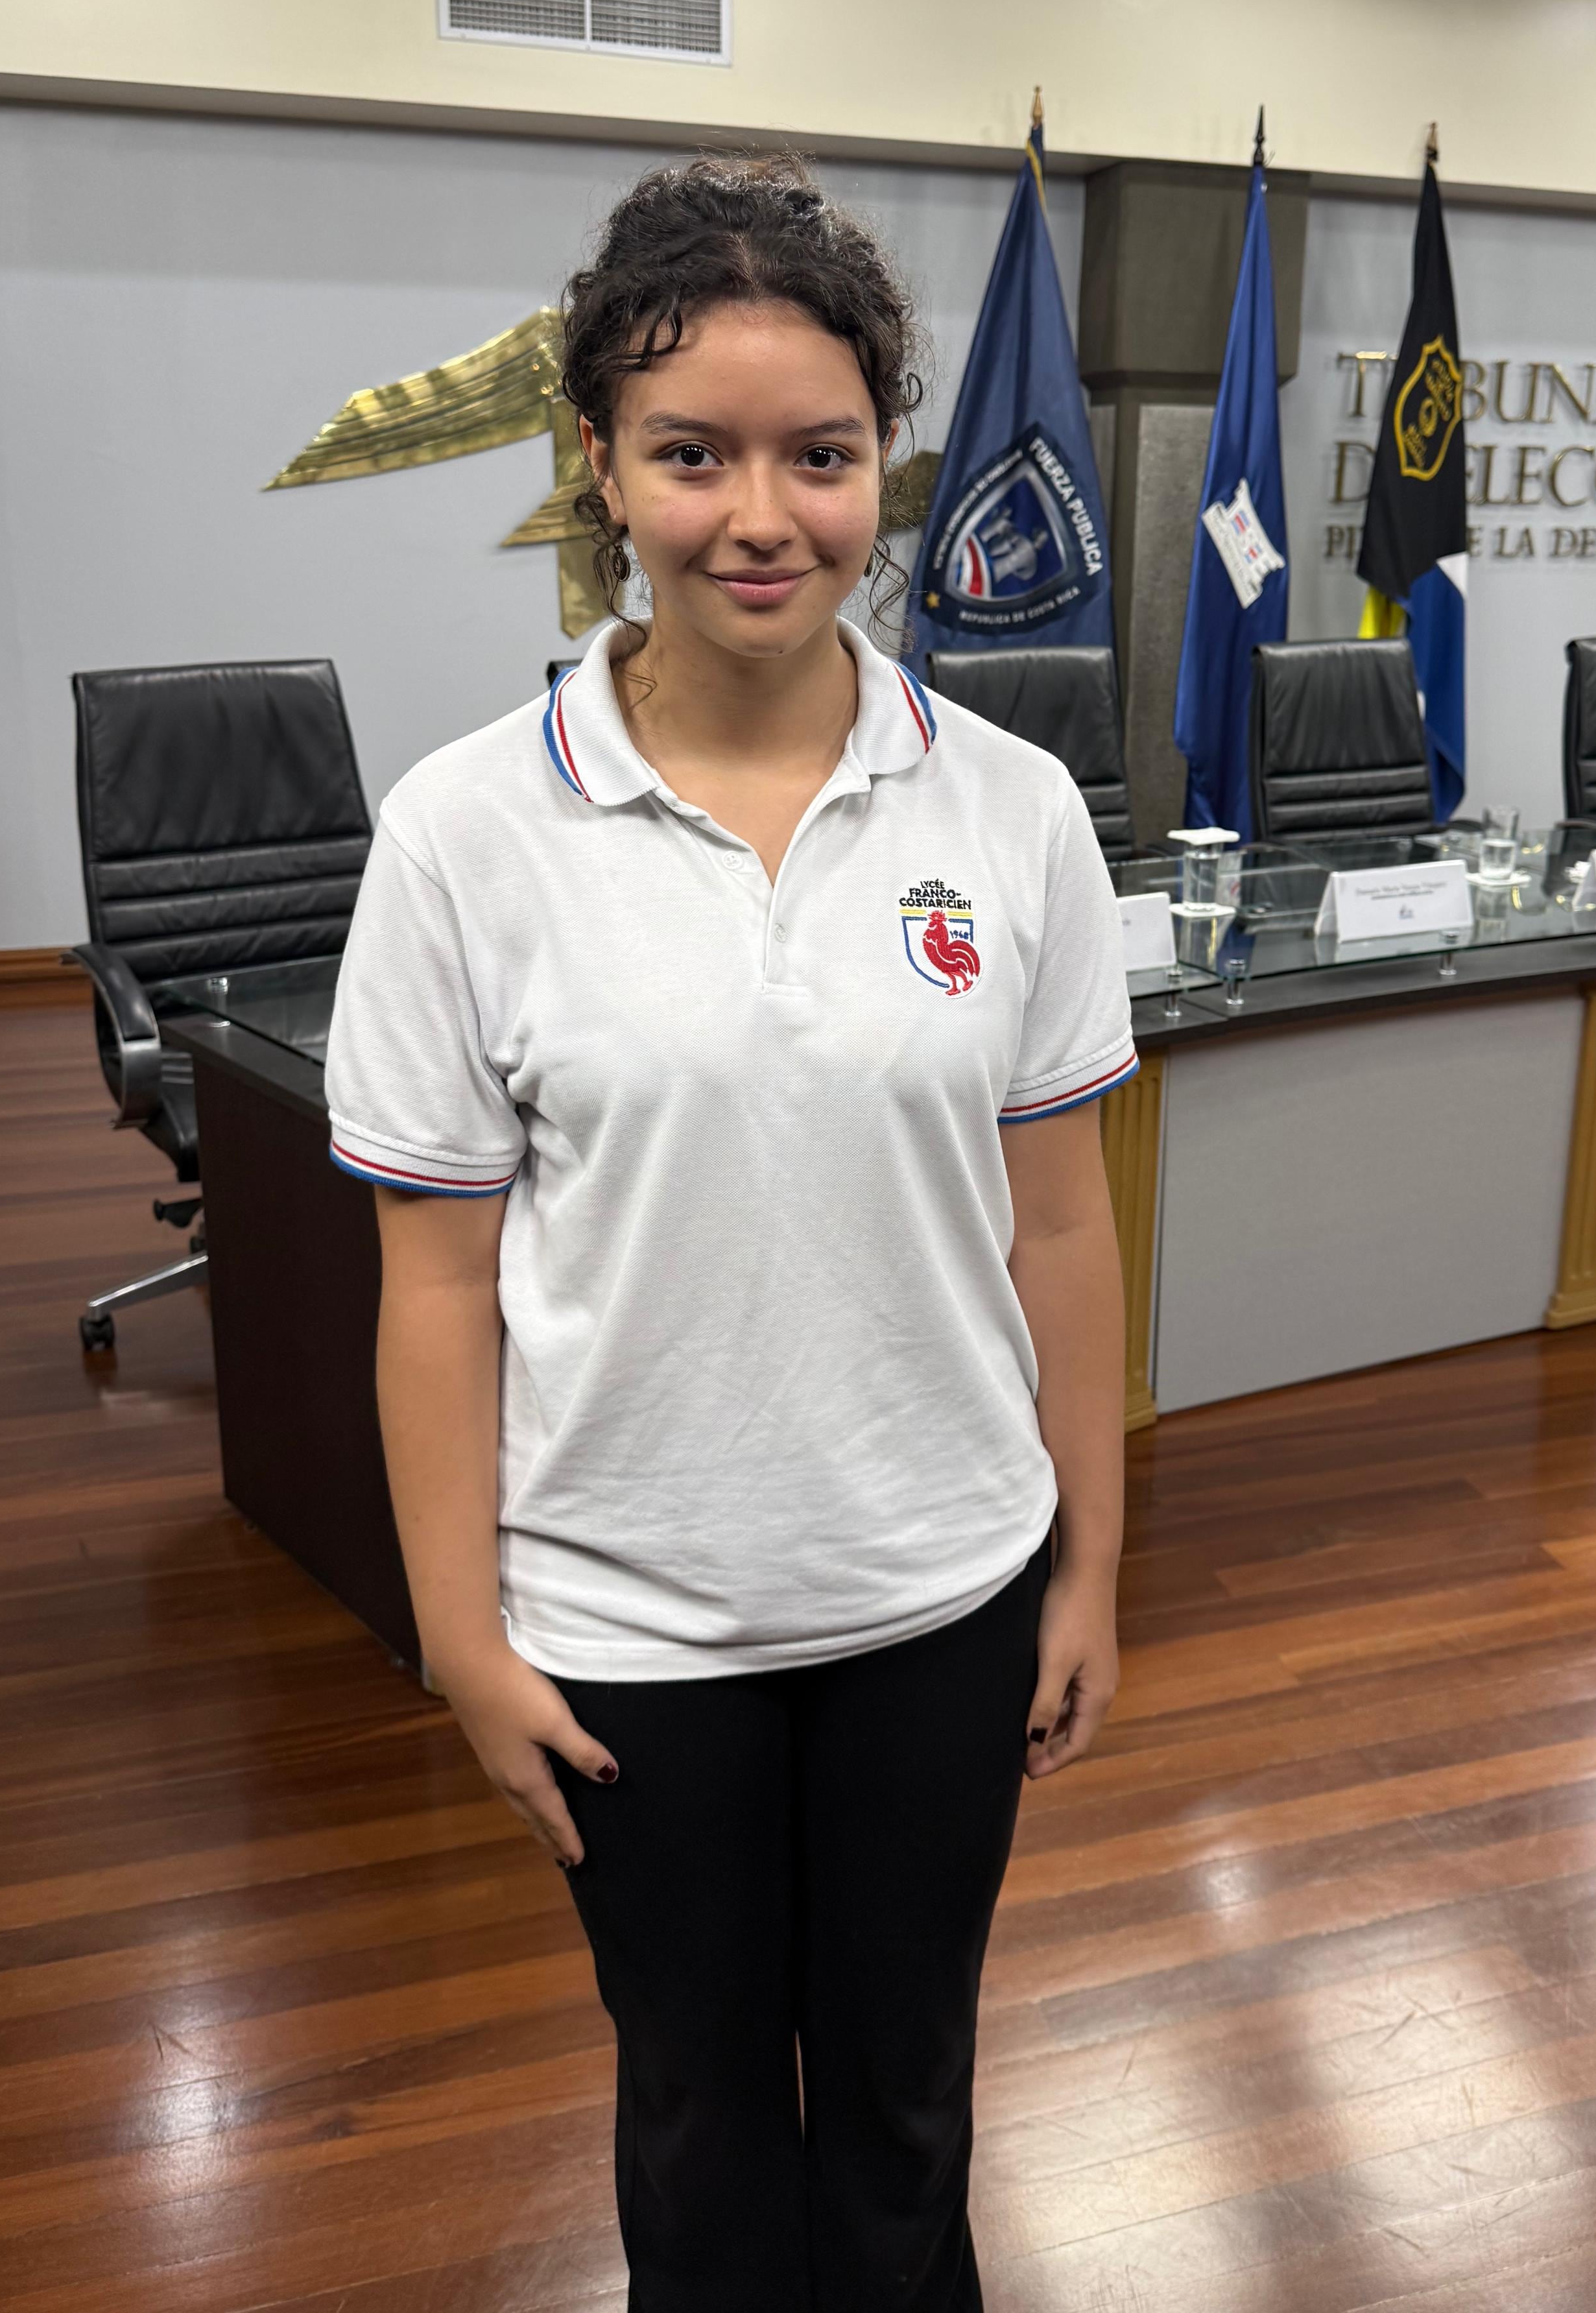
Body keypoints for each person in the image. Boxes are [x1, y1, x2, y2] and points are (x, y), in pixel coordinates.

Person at [323, 156, 1135, 2312]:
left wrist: (1092, 1569)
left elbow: (1063, 1228)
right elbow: (430, 1280)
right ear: (600, 466)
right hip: (625, 1629)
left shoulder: (1015, 808)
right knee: (691, 2108)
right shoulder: (468, 828)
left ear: (889, 464)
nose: (761, 515)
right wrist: (460, 1637)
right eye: (692, 455)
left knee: (904, 2106)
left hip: (940, 1588)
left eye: (822, 453)